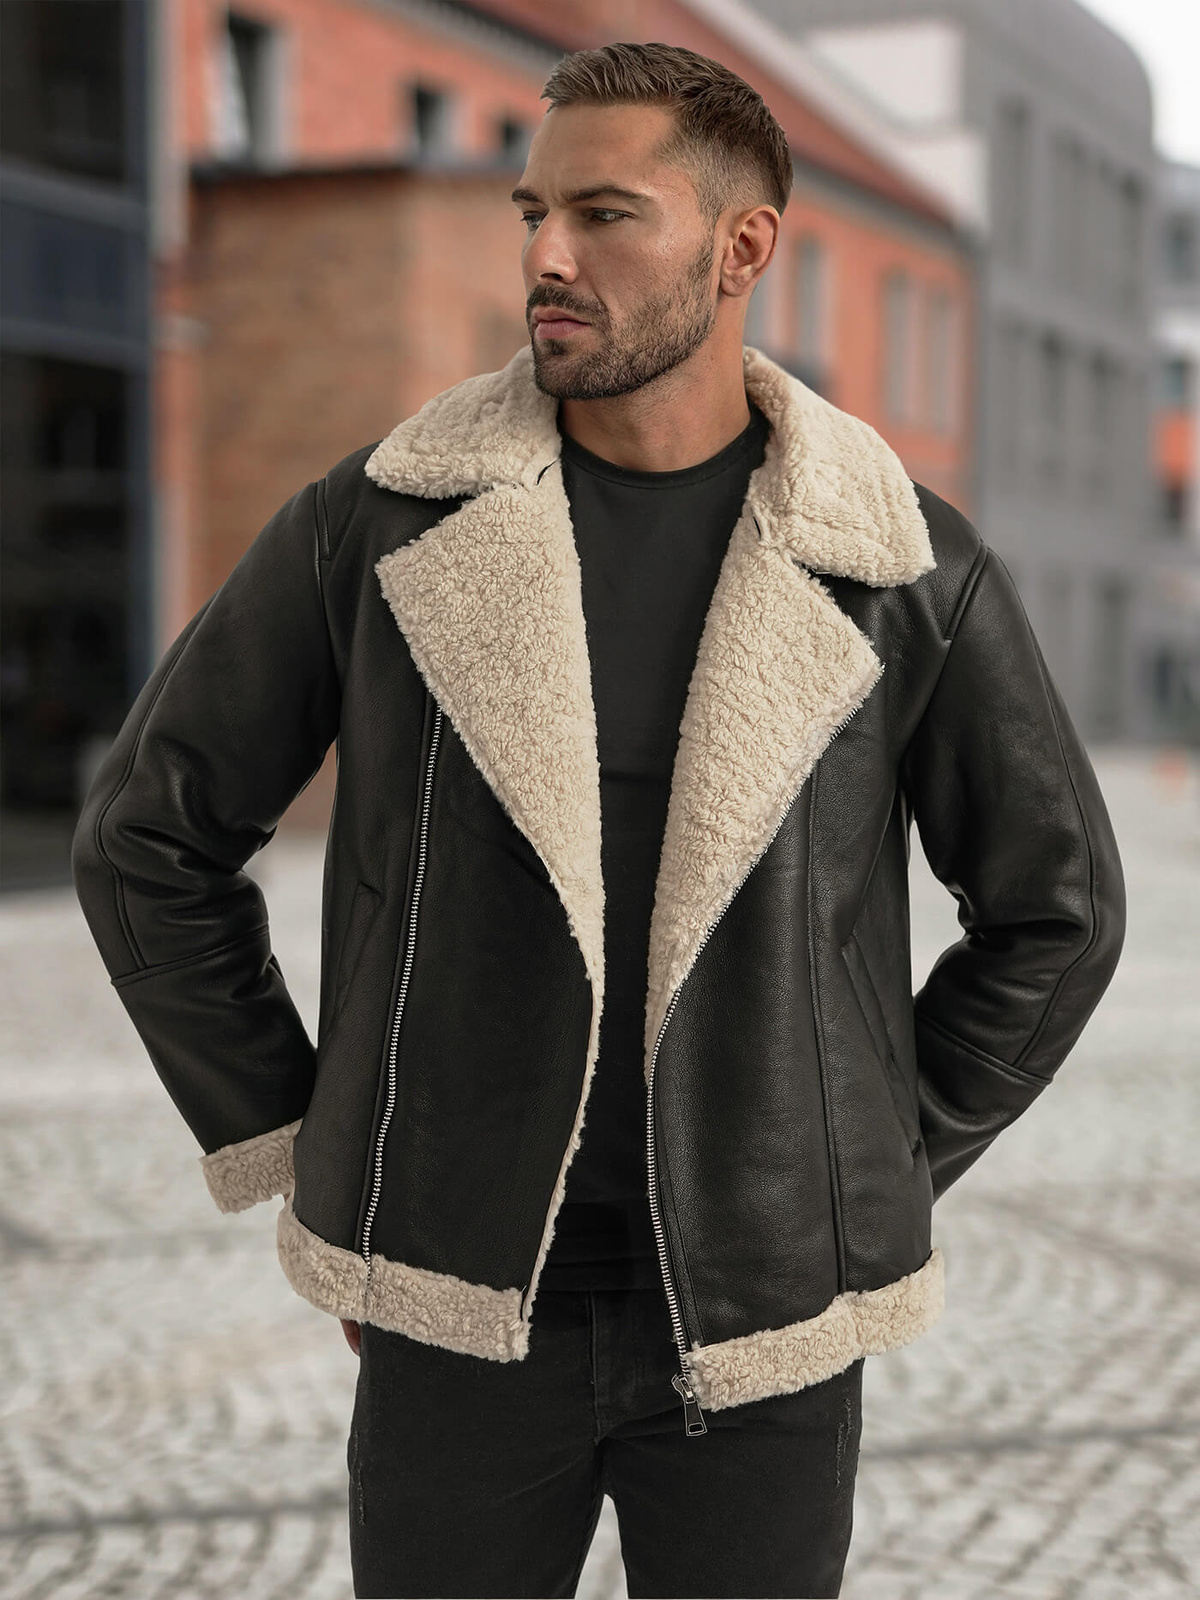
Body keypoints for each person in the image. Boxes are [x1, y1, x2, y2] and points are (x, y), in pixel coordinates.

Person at [71, 40, 1126, 1600]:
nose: (548, 257)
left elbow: (1057, 913)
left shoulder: (902, 565)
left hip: (766, 1333)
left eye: (606, 214)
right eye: (532, 212)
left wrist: (865, 1163)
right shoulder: (379, 523)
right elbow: (148, 839)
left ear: (742, 248)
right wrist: (314, 1142)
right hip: (454, 1311)